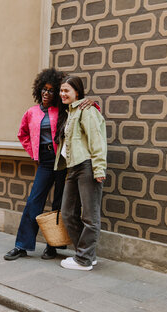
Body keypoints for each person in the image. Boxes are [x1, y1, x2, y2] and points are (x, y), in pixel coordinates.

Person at [4, 68, 94, 261]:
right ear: (38, 90)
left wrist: (91, 102)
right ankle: (22, 245)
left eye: (51, 90)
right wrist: (33, 153)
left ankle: (54, 245)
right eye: (44, 90)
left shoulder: (63, 110)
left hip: (62, 161)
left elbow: (85, 113)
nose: (47, 93)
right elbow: (23, 135)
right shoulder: (31, 113)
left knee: (59, 204)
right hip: (44, 162)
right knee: (34, 201)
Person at [55, 75, 107, 271]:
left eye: (66, 90)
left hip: (87, 166)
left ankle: (84, 260)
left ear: (77, 92)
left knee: (90, 216)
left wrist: (99, 168)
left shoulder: (87, 110)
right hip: (73, 166)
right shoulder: (71, 112)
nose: (62, 94)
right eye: (61, 90)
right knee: (67, 213)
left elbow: (97, 140)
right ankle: (85, 255)